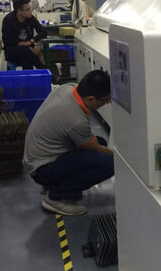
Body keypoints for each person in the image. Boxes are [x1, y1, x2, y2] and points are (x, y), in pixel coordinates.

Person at [24, 70, 114, 216]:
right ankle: (57, 197)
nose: (105, 104)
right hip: (42, 169)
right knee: (110, 163)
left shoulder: (68, 88)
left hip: (40, 156)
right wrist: (120, 157)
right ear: (91, 99)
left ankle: (57, 183)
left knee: (101, 141)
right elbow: (95, 148)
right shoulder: (76, 120)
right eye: (104, 101)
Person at [1, 0, 47, 70]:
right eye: (28, 9)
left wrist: (31, 41)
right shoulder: (8, 20)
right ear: (19, 11)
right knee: (27, 51)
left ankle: (33, 76)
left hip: (28, 51)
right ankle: (45, 72)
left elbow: (43, 32)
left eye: (30, 8)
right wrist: (22, 44)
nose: (30, 11)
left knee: (27, 59)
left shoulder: (30, 18)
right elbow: (7, 41)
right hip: (12, 52)